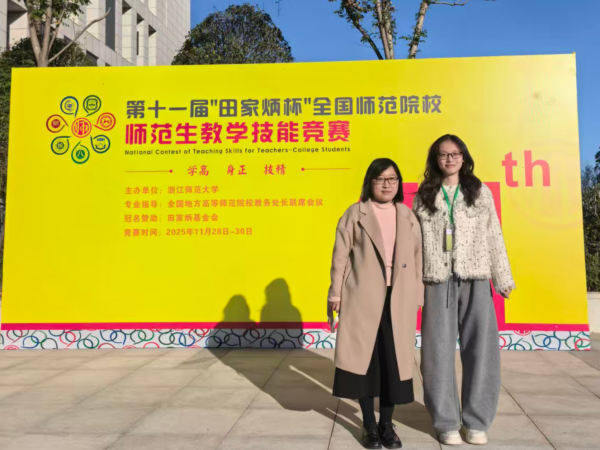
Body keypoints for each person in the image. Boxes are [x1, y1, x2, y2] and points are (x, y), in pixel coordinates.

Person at [412, 135, 515, 446]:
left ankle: (476, 421)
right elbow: (414, 244)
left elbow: (494, 233)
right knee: (436, 353)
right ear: (435, 159)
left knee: (481, 350)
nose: (450, 159)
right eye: (443, 154)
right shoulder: (424, 195)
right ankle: (446, 423)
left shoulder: (479, 192)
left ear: (464, 157)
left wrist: (502, 277)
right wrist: (413, 285)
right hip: (436, 279)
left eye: (455, 153)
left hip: (476, 277)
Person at [328, 158, 424, 449]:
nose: (387, 184)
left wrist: (418, 295)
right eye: (380, 179)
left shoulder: (407, 215)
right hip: (362, 296)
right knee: (365, 361)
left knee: (393, 362)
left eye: (392, 179)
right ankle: (369, 424)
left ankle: (387, 424)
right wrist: (335, 294)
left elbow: (418, 258)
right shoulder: (355, 213)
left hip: (399, 297)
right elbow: (340, 257)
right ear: (370, 182)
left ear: (399, 183)